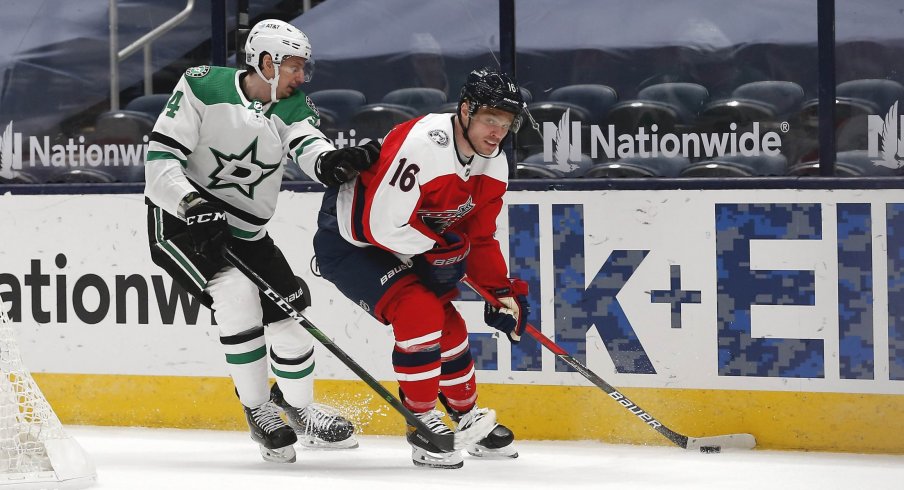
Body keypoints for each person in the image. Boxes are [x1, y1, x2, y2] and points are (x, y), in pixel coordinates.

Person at [143, 19, 381, 463]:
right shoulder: (202, 87)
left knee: (290, 312)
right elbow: (159, 161)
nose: (301, 77)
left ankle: (298, 408)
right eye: (294, 66)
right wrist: (192, 204)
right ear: (266, 62)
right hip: (182, 223)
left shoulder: (292, 106)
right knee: (235, 293)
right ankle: (258, 409)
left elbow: (308, 145)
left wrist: (333, 162)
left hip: (246, 231)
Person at [312, 68, 532, 469]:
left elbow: (479, 238)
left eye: (506, 123)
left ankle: (466, 417)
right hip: (351, 243)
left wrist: (500, 291)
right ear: (465, 110)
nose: (497, 132)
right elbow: (377, 225)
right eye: (489, 119)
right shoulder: (424, 144)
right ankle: (421, 422)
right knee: (419, 310)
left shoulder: (492, 163)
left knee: (450, 325)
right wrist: (438, 246)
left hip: (408, 244)